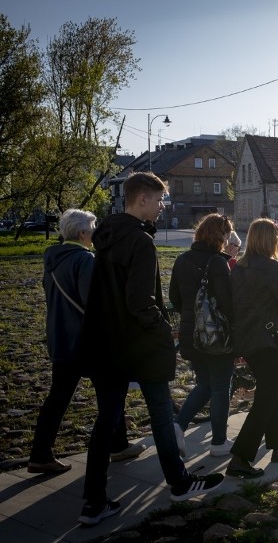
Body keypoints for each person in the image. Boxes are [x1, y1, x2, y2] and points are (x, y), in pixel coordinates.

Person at [79, 172, 223, 526]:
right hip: (140, 344)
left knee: (105, 422)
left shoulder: (106, 237)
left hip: (105, 342)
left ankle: (92, 502)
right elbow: (141, 302)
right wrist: (163, 332)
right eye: (159, 200)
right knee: (160, 414)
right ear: (141, 199)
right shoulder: (140, 242)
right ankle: (180, 482)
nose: (162, 207)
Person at [28, 210, 143, 475]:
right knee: (112, 393)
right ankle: (117, 445)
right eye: (93, 229)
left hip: (61, 339)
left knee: (57, 399)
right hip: (88, 342)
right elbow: (95, 303)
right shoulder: (85, 260)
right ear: (83, 233)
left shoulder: (53, 260)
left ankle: (40, 453)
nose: (95, 233)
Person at [226, 218, 278, 478]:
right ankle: (240, 457)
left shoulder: (239, 267)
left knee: (270, 392)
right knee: (267, 397)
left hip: (247, 340)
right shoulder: (271, 267)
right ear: (271, 240)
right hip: (271, 340)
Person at [169, 213, 236, 457]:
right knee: (220, 386)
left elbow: (175, 298)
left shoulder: (182, 259)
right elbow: (227, 303)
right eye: (227, 234)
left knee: (205, 383)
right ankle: (219, 441)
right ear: (220, 235)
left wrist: (192, 318)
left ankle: (178, 425)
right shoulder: (217, 263)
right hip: (215, 336)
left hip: (191, 334)